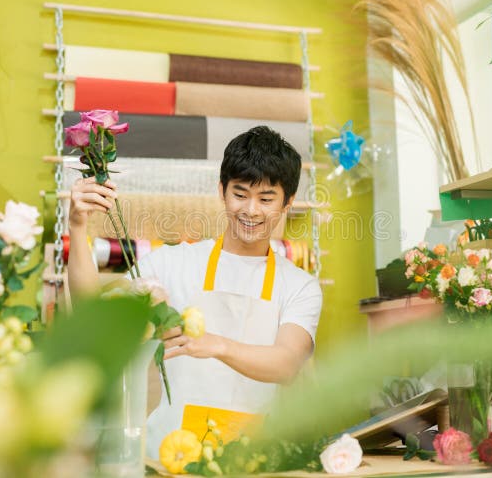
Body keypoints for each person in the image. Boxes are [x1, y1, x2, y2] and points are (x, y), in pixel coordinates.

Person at [67, 126, 323, 457]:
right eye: (240, 194)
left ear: (287, 202)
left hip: (255, 459)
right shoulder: (173, 263)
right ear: (222, 191)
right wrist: (77, 227)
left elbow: (287, 363)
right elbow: (93, 314)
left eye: (266, 198)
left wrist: (217, 345)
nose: (250, 210)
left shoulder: (300, 285)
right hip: (168, 457)